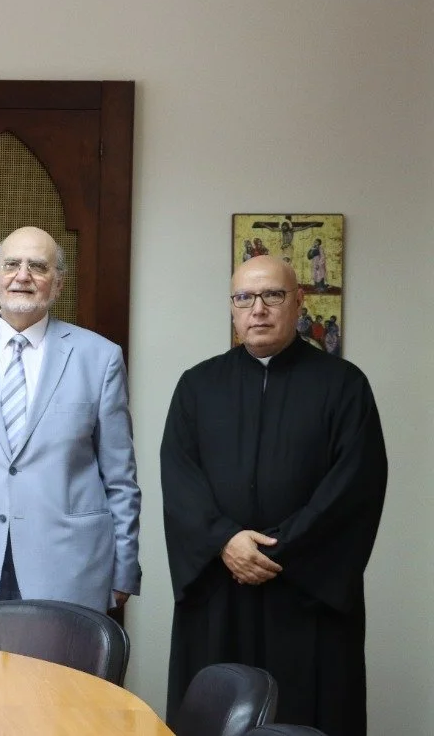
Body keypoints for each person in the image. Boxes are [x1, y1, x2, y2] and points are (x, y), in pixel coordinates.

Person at [161, 255, 387, 734]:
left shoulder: (344, 386)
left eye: (272, 296)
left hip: (307, 594)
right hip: (219, 586)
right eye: (244, 298)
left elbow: (354, 486)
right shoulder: (197, 386)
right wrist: (225, 541)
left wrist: (277, 549)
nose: (257, 309)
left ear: (299, 301)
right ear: (232, 308)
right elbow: (180, 479)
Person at [0, 227, 141, 643]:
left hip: (68, 569)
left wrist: (124, 568)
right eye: (11, 264)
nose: (23, 276)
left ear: (59, 281)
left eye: (38, 266)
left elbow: (120, 480)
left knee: (56, 702)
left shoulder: (100, 358)